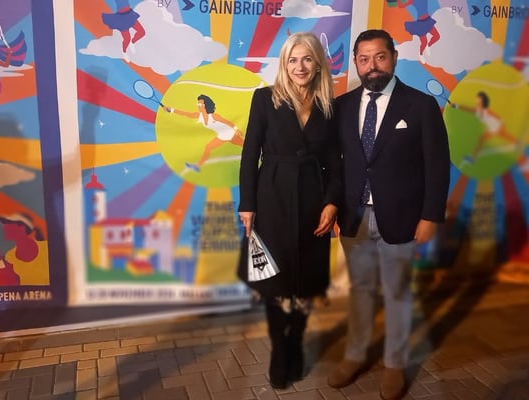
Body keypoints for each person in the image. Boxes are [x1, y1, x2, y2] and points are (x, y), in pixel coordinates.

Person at [327, 29, 450, 400]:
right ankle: (355, 355)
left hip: (402, 217)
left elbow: (437, 165)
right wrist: (332, 205)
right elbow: (335, 166)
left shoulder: (421, 105)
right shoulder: (342, 107)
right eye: (364, 59)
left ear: (394, 58)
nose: (372, 66)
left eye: (379, 57)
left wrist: (430, 216)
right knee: (360, 291)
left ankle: (395, 363)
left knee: (397, 292)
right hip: (354, 218)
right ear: (356, 63)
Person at [238, 32, 341, 389]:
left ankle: (296, 338)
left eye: (307, 59)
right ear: (284, 64)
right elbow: (250, 154)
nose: (300, 66)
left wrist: (332, 201)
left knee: (306, 278)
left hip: (314, 197)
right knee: (274, 280)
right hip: (272, 196)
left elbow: (335, 161)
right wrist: (247, 204)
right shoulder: (265, 98)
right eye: (293, 60)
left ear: (318, 64)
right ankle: (280, 350)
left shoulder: (329, 105)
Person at [165, 94, 244, 172]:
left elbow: (227, 122)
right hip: (221, 137)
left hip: (232, 135)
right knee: (208, 147)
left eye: (200, 104)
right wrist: (171, 110)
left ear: (206, 105)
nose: (198, 106)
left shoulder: (214, 116)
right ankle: (197, 166)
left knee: (245, 145)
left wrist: (236, 129)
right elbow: (186, 114)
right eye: (198, 104)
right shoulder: (199, 116)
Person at [453, 91, 520, 164]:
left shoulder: (484, 110)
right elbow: (467, 109)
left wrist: (501, 124)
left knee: (485, 139)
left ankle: (472, 158)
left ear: (482, 100)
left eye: (479, 98)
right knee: (486, 138)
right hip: (493, 127)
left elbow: (496, 117)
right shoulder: (478, 109)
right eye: (478, 98)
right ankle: (472, 158)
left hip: (496, 126)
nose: (477, 99)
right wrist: (456, 106)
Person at [0, 212, 50, 286]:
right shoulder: (10, 256)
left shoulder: (46, 247)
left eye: (8, 224)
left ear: (22, 227)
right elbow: (8, 278)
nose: (4, 227)